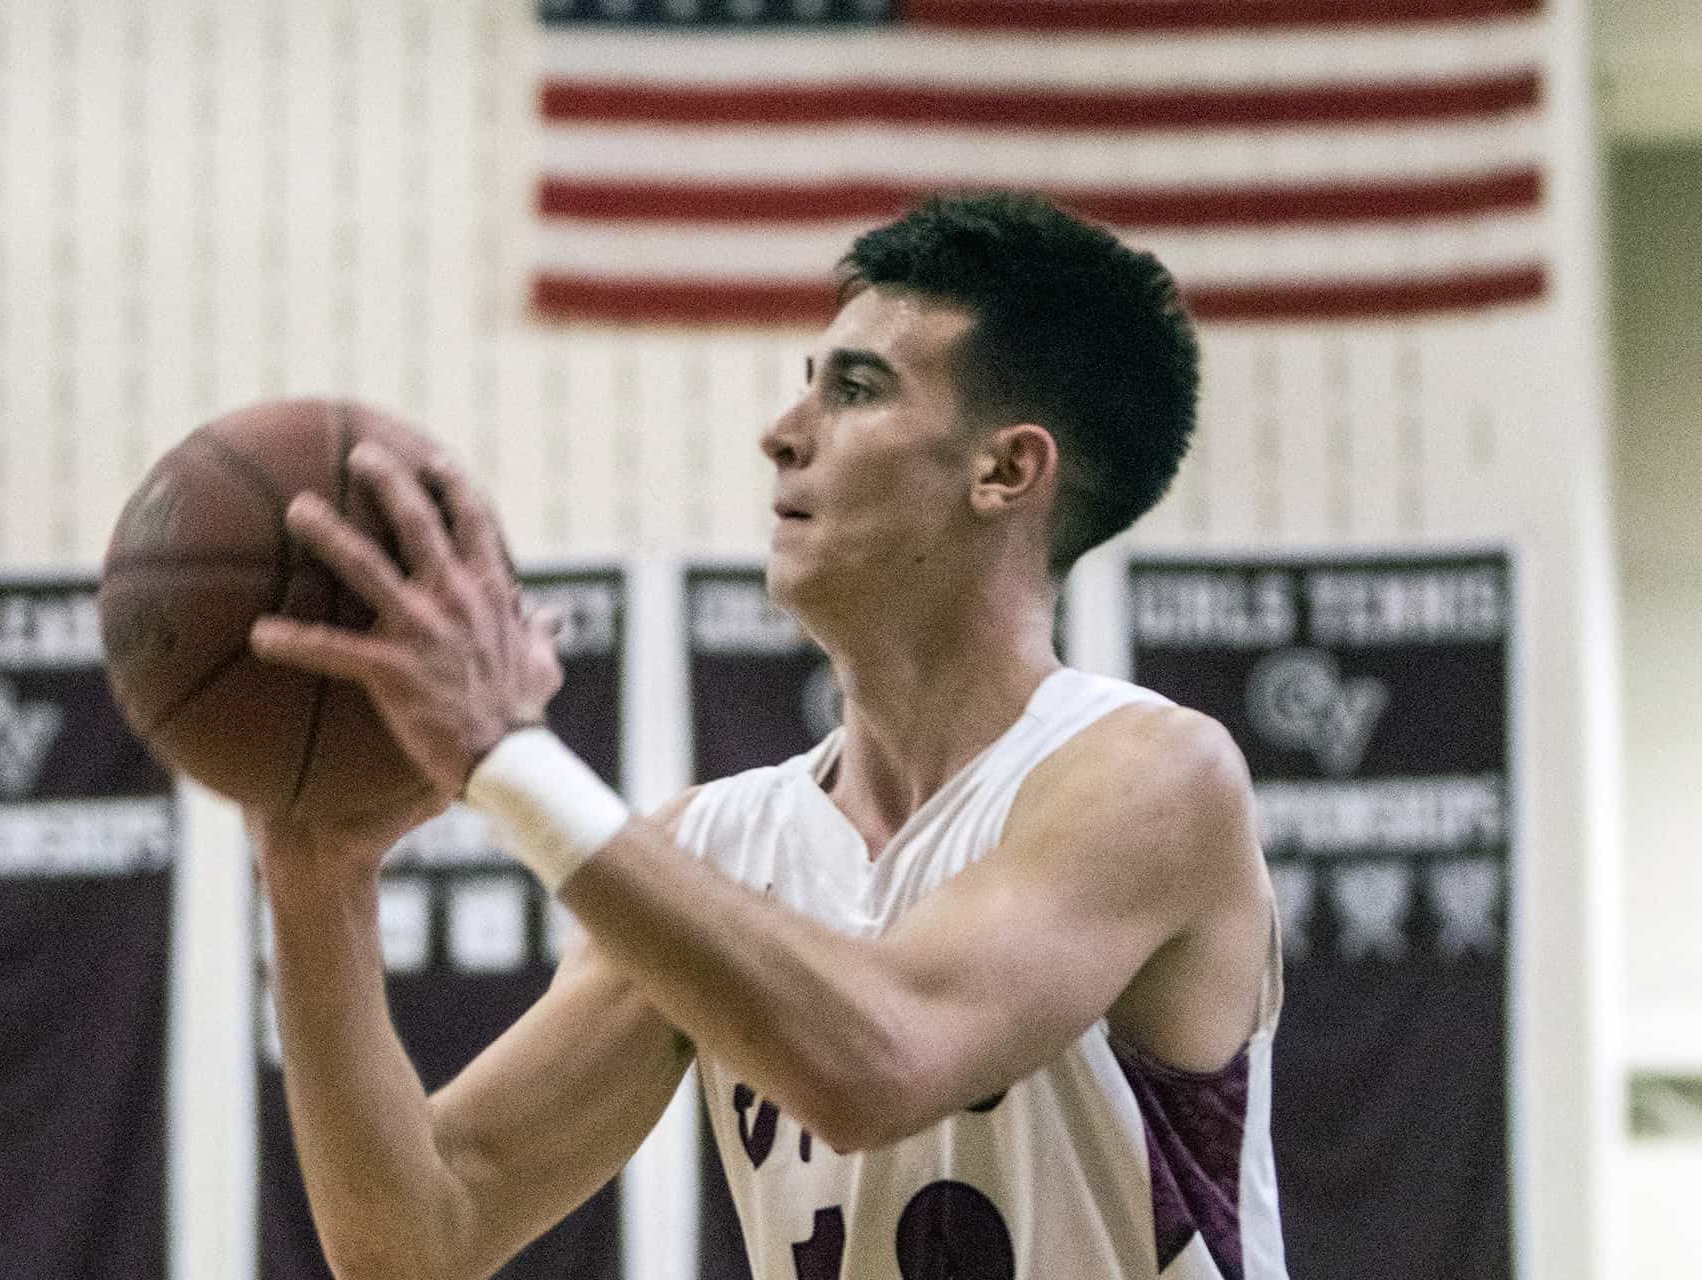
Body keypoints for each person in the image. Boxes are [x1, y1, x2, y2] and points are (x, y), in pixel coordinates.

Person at [246, 192, 1285, 1280]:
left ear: (1005, 471)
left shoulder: (1152, 775)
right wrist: (315, 878)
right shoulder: (718, 847)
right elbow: (419, 1234)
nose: (783, 432)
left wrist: (506, 753)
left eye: (856, 388)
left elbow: (879, 1062)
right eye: (809, 383)